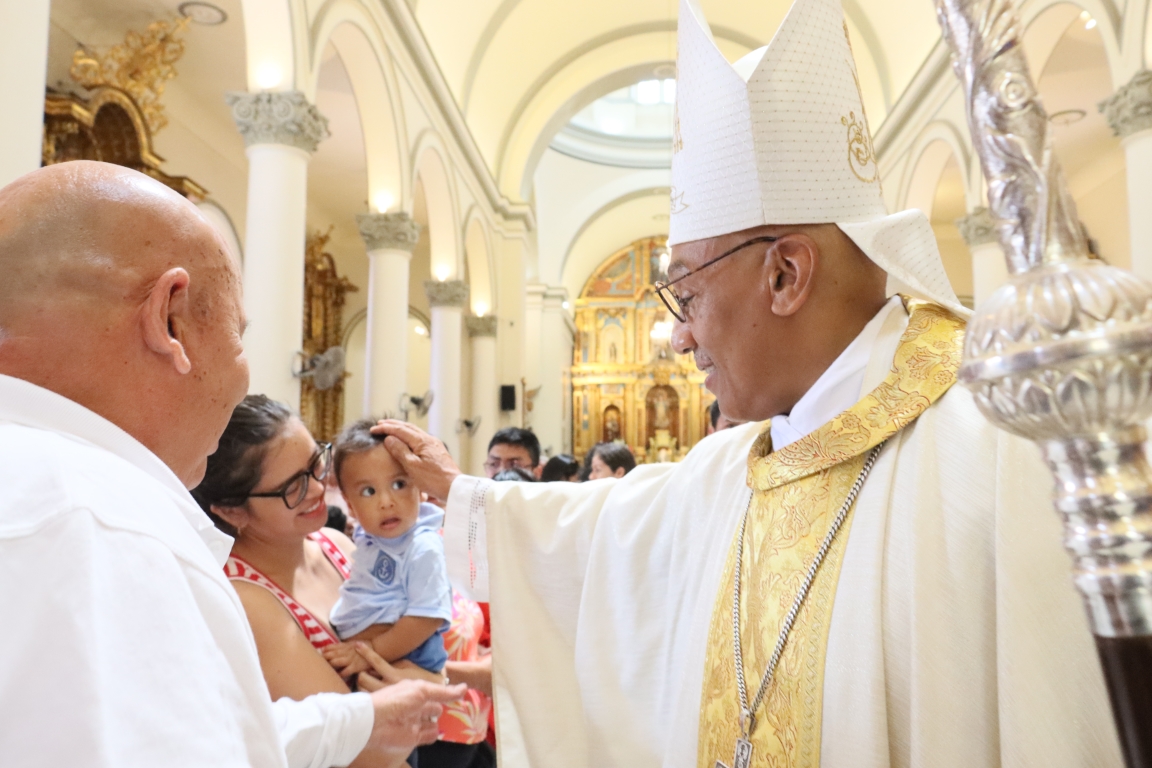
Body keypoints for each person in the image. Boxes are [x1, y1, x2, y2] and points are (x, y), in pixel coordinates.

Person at [370, 1, 1124, 766]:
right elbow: (600, 530)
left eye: (687, 295)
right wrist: (463, 494)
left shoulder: (1001, 447)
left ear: (786, 274)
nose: (679, 336)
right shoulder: (734, 463)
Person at [0, 161, 463, 768]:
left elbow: (209, 728)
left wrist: (360, 718)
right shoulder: (104, 524)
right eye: (238, 336)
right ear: (169, 321)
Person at [327, 420, 454, 677]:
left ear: (421, 489)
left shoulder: (423, 547)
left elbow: (427, 618)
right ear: (350, 506)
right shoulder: (369, 536)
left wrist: (373, 650)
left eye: (399, 485)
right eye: (368, 491)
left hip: (407, 654)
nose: (386, 502)